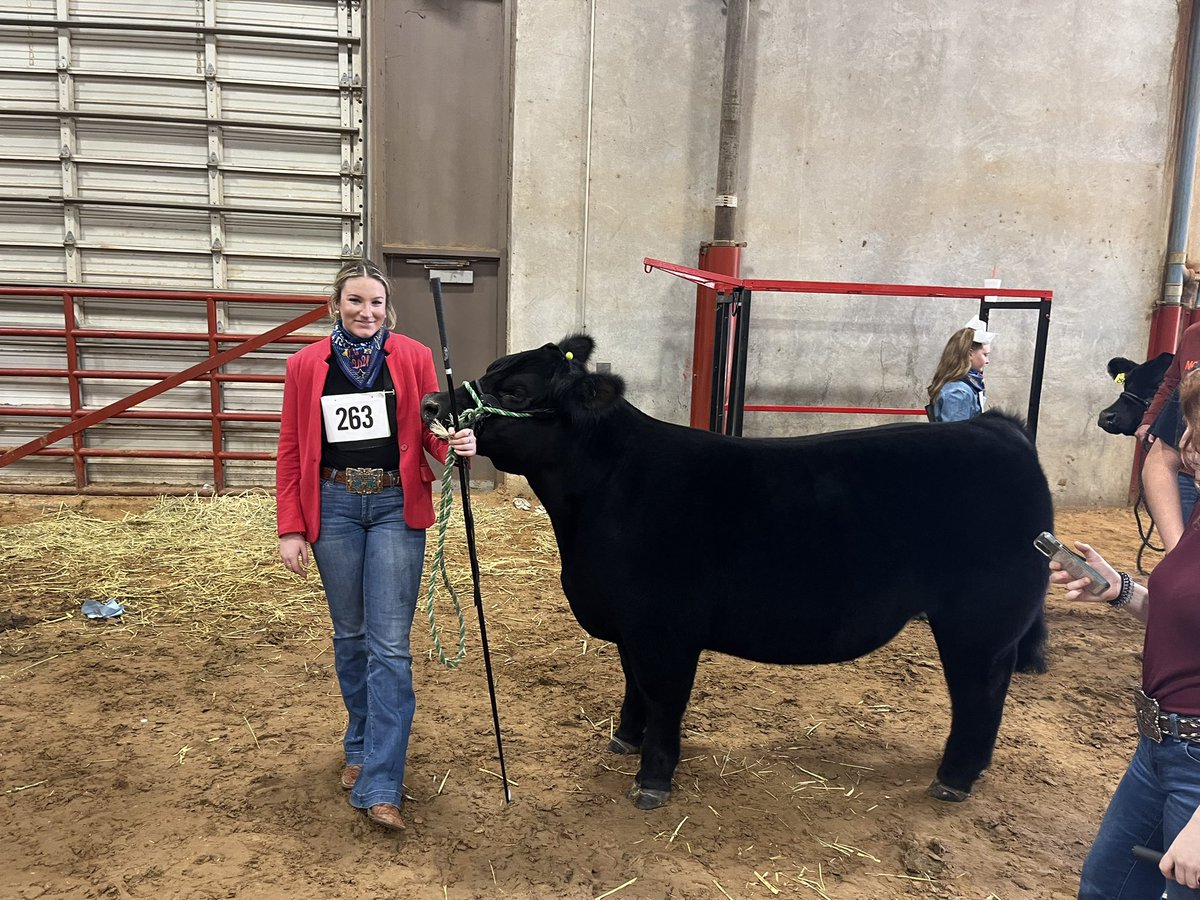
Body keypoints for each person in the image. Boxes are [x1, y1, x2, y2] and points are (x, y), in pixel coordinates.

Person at [275, 257, 477, 832]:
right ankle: (360, 741)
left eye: (377, 303)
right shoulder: (304, 366)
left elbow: (431, 429)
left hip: (394, 506)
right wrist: (291, 526)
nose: (367, 312)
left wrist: (454, 443)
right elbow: (292, 449)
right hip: (333, 506)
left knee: (390, 646)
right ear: (335, 305)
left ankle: (382, 780)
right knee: (351, 637)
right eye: (356, 301)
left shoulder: (412, 357)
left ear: (389, 309)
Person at [1051, 368, 1200, 898]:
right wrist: (1121, 591)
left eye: (1198, 433)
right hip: (1160, 746)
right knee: (1105, 885)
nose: (1184, 445)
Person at [925, 316, 996, 422]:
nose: (987, 361)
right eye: (985, 355)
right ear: (970, 354)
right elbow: (956, 435)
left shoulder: (965, 387)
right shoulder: (958, 392)